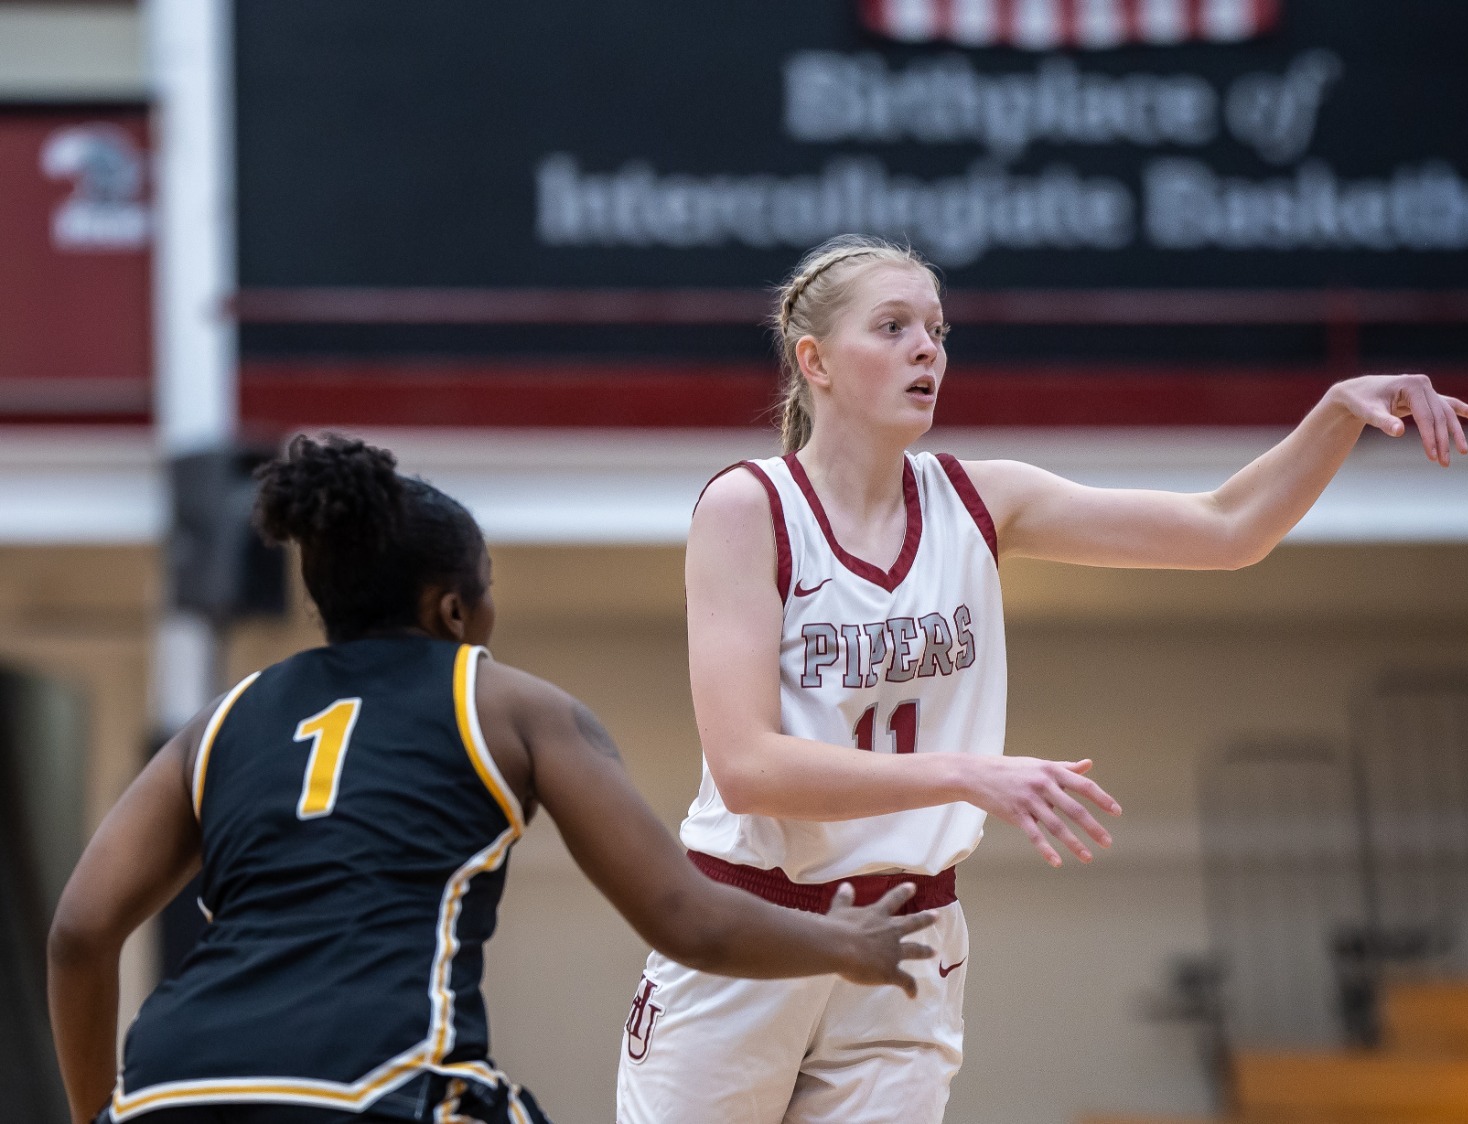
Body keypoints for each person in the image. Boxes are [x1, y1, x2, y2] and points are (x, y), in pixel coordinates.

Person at [614, 234, 1468, 1124]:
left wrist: (1335, 412)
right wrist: (968, 773)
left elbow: (1228, 529)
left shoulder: (980, 499)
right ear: (816, 361)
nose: (928, 349)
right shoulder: (748, 508)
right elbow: (749, 769)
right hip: (751, 924)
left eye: (938, 330)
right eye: (893, 327)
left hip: (912, 933)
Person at [46, 435, 937, 1124]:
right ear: (454, 609)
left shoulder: (221, 720)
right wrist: (844, 943)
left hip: (169, 1087)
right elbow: (683, 917)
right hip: (376, 1081)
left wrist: (96, 1112)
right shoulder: (511, 705)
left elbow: (80, 935)